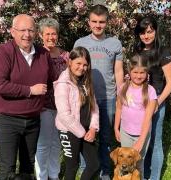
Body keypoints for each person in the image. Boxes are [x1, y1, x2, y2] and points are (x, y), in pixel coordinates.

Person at [0, 14, 53, 180]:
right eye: (22, 30)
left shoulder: (43, 54)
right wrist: (29, 90)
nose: (27, 34)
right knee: (7, 170)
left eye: (31, 30)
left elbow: (52, 80)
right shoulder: (3, 52)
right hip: (7, 120)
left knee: (27, 168)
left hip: (33, 120)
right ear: (13, 32)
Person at [74, 4, 123, 179]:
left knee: (106, 138)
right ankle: (86, 168)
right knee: (84, 135)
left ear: (107, 22)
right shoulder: (80, 43)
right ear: (88, 22)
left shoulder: (115, 43)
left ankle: (105, 172)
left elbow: (118, 71)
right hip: (85, 98)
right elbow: (75, 70)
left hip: (108, 98)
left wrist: (120, 95)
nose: (98, 25)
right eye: (94, 21)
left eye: (101, 22)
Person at [134, 16, 171, 180]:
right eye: (143, 32)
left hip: (156, 102)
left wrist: (158, 102)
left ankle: (154, 177)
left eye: (149, 32)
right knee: (143, 141)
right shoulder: (137, 51)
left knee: (155, 143)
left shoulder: (164, 52)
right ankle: (143, 175)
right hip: (138, 104)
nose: (146, 36)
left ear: (155, 31)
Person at [54, 46, 100, 180]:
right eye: (78, 63)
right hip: (68, 131)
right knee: (72, 166)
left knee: (94, 165)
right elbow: (64, 115)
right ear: (70, 62)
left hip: (87, 130)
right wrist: (82, 132)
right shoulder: (63, 83)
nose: (82, 67)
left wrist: (93, 128)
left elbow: (94, 107)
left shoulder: (87, 81)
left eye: (85, 65)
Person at [35, 18, 69, 180]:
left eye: (53, 33)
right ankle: (42, 176)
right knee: (43, 144)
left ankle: (54, 175)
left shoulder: (65, 56)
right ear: (41, 35)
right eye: (47, 34)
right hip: (44, 106)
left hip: (62, 108)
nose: (51, 37)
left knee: (56, 144)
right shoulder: (36, 54)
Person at [114, 54, 157, 179]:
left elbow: (148, 119)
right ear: (129, 71)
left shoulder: (150, 91)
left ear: (147, 72)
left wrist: (141, 141)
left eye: (142, 72)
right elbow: (119, 108)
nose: (138, 76)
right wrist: (116, 127)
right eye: (135, 72)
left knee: (137, 164)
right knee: (124, 163)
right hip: (125, 132)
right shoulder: (123, 87)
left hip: (141, 134)